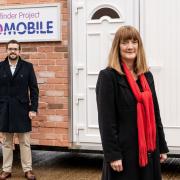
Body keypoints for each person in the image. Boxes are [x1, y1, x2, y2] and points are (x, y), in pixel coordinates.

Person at [96, 26, 169, 180]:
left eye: (134, 42)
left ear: (139, 46)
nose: (130, 47)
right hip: (124, 154)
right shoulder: (108, 77)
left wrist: (162, 146)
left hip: (149, 150)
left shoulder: (147, 76)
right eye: (125, 42)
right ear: (117, 46)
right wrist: (113, 154)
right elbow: (106, 121)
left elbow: (155, 114)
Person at [0, 40, 39, 180]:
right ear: (6, 50)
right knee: (6, 142)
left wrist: (33, 109)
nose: (13, 51)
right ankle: (6, 170)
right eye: (10, 49)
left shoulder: (28, 67)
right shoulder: (0, 67)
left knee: (25, 142)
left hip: (23, 110)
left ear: (20, 51)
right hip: (4, 110)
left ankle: (28, 170)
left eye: (15, 49)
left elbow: (34, 89)